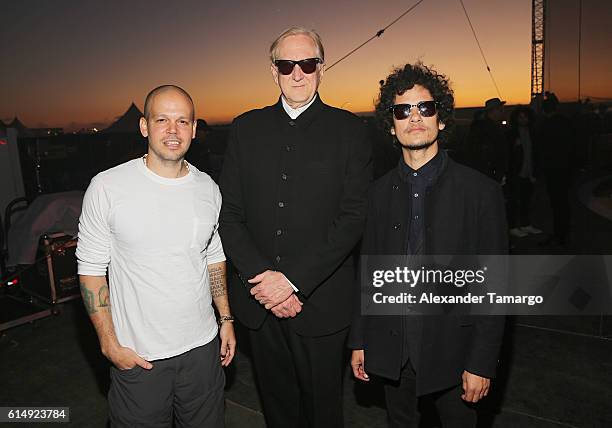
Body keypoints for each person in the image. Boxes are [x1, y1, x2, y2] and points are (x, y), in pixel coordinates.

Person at [219, 26, 371, 427]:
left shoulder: (351, 131)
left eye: (308, 63)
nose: (298, 73)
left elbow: (353, 218)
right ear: (274, 71)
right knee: (278, 410)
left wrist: (292, 281)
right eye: (287, 65)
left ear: (322, 69)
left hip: (321, 305)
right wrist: (263, 280)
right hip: (260, 304)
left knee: (323, 413)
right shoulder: (245, 129)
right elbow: (229, 215)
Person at [348, 63, 506, 427]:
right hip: (393, 350)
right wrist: (360, 339)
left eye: (425, 108)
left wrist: (481, 362)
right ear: (391, 125)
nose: (414, 118)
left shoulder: (481, 193)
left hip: (455, 353)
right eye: (402, 110)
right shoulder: (376, 194)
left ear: (442, 119)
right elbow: (366, 273)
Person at [76, 85, 235, 427]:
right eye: (162, 119)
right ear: (144, 126)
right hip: (140, 358)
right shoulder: (108, 187)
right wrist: (109, 344)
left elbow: (213, 255)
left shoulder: (208, 188)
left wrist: (226, 319)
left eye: (182, 121)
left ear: (194, 129)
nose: (173, 130)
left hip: (203, 353)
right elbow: (90, 268)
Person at [507, 106, 542, 238]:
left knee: (527, 201)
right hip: (516, 173)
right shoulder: (511, 134)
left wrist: (535, 173)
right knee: (514, 201)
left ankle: (525, 224)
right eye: (520, 117)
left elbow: (536, 154)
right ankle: (513, 226)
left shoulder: (533, 133)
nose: (523, 119)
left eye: (525, 117)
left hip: (529, 173)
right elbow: (508, 155)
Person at [468, 97, 509, 184]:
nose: (502, 111)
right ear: (493, 111)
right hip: (489, 173)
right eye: (500, 109)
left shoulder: (489, 126)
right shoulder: (486, 128)